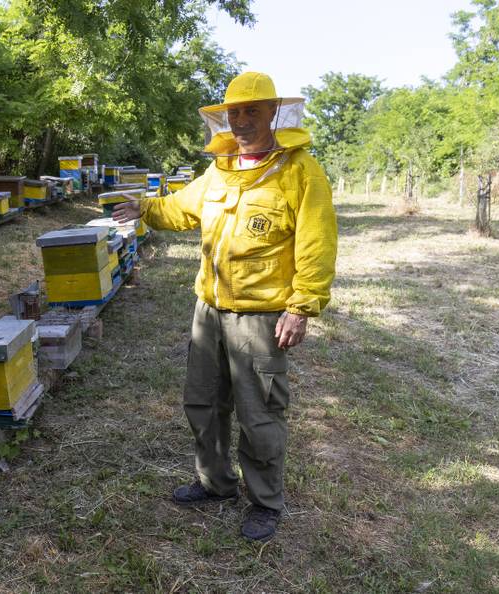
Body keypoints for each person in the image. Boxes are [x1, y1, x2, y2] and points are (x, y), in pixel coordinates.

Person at [112, 71, 337, 542]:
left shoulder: (301, 172)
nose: (240, 120)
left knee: (259, 416)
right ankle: (215, 484)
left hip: (261, 317)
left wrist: (302, 307)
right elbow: (182, 208)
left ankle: (266, 502)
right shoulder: (220, 169)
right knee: (204, 403)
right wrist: (145, 208)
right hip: (208, 312)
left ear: (273, 112)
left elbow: (317, 245)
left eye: (251, 110)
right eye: (234, 112)